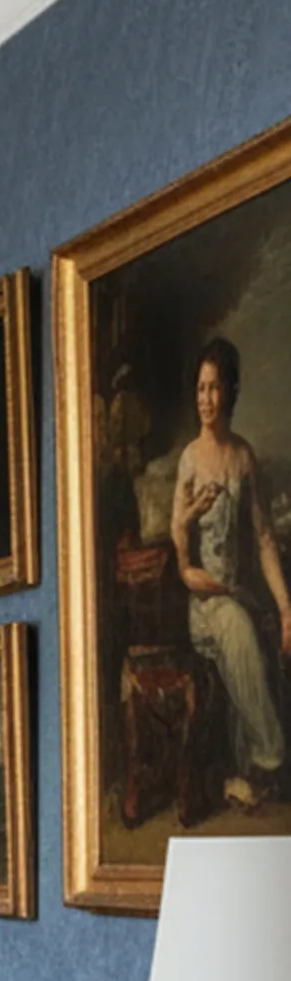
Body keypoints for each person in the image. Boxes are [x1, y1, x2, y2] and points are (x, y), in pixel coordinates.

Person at [171, 335, 290, 810]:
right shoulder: (189, 459)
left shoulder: (243, 457)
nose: (205, 399)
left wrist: (287, 608)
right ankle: (269, 758)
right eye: (200, 389)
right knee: (237, 627)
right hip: (205, 602)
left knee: (258, 628)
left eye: (214, 388)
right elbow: (178, 542)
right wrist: (191, 525)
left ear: (231, 392)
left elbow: (263, 539)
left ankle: (247, 772)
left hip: (236, 592)